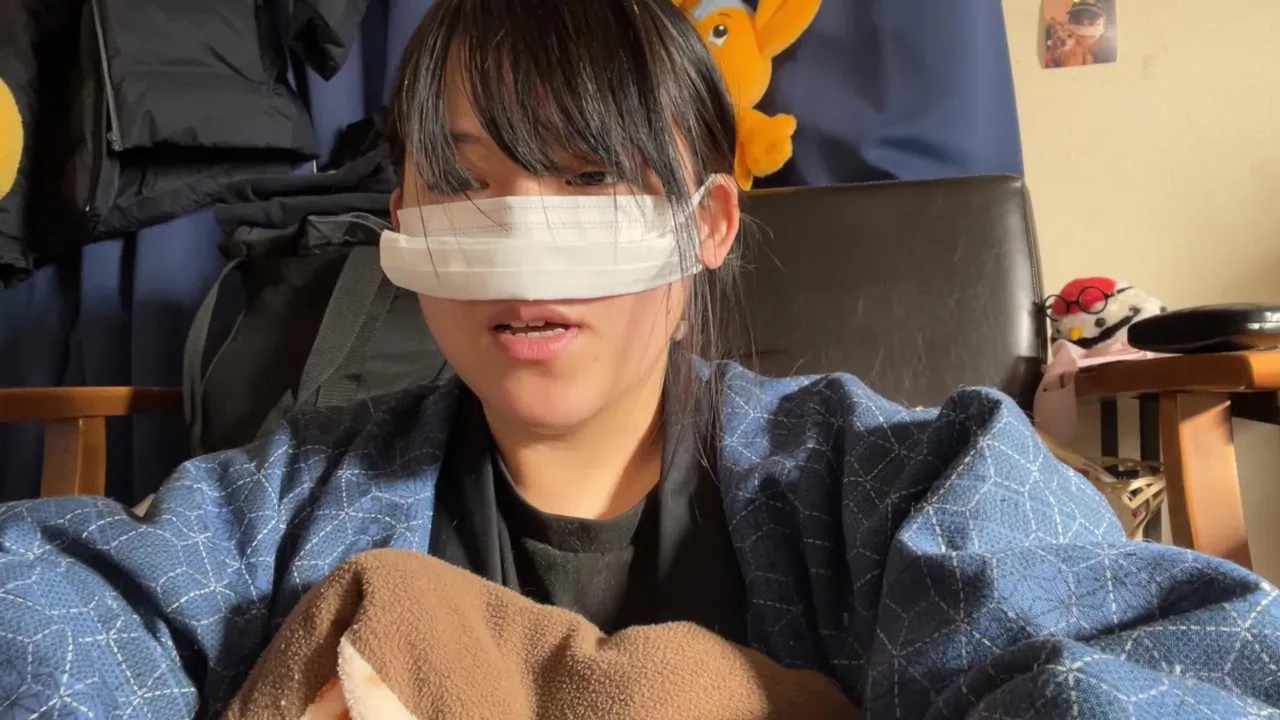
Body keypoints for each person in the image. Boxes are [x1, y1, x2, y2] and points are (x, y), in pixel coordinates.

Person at [0, 0, 1277, 717]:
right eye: (466, 183)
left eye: (586, 179)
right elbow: (57, 606)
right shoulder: (285, 503)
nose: (523, 244)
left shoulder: (895, 481)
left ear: (705, 225)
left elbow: (1145, 654)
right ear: (401, 226)